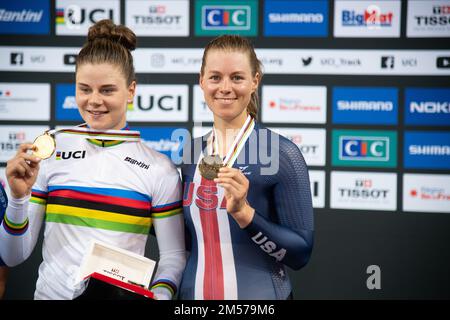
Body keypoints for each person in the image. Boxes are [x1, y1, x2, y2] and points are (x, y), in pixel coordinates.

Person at [0, 19, 186, 300]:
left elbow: (173, 257)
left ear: (131, 90)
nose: (94, 101)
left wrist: (159, 296)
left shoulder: (160, 169)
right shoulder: (50, 152)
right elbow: (13, 256)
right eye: (84, 89)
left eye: (107, 90)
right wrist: (17, 198)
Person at [179, 35, 314, 300]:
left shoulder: (282, 154)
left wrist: (245, 214)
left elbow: (301, 254)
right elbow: (186, 241)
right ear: (202, 80)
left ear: (255, 81)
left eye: (237, 77)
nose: (225, 87)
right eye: (215, 77)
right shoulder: (191, 153)